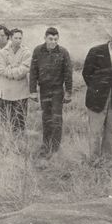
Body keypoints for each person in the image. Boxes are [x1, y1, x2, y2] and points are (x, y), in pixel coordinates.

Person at [82, 24, 112, 163]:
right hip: (96, 98)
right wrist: (96, 89)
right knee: (95, 131)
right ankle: (94, 161)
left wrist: (111, 89)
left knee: (110, 132)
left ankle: (106, 160)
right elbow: (86, 73)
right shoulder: (95, 51)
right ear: (109, 37)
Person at [29, 27, 73, 158]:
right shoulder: (38, 50)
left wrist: (68, 92)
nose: (53, 42)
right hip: (44, 89)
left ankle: (55, 149)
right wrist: (33, 91)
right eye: (50, 39)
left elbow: (68, 73)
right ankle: (46, 145)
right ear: (45, 38)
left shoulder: (63, 52)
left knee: (56, 119)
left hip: (57, 90)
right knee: (46, 118)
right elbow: (33, 71)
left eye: (55, 39)